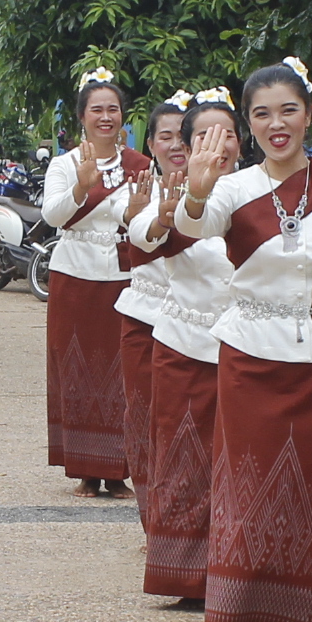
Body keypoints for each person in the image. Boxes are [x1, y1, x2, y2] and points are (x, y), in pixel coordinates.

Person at [156, 57, 312, 622]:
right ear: (248, 126)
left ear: (309, 114)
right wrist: (195, 188)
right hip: (250, 358)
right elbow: (192, 226)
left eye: (288, 111)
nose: (276, 125)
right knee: (249, 497)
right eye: (261, 115)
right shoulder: (233, 187)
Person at [125, 91, 236, 607]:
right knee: (184, 455)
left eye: (228, 135)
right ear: (186, 148)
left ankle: (231, 566)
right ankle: (183, 575)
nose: (218, 146)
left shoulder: (257, 194)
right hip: (182, 342)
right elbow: (142, 238)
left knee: (232, 462)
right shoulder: (170, 193)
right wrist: (166, 214)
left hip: (243, 350)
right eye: (204, 138)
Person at [40, 66, 150, 495]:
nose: (106, 117)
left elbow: (140, 215)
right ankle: (85, 468)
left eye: (113, 109)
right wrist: (81, 189)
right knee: (79, 371)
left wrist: (134, 210)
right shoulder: (64, 165)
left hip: (124, 277)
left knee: (121, 372)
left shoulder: (141, 166)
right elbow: (53, 216)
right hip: (75, 278)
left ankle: (119, 468)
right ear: (82, 117)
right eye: (96, 110)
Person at [113, 95, 193, 539]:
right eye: (166, 136)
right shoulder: (138, 192)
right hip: (146, 319)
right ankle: (156, 524)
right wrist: (134, 214)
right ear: (151, 143)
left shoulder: (230, 193)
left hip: (200, 330)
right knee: (145, 423)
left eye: (187, 135)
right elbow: (140, 244)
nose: (176, 144)